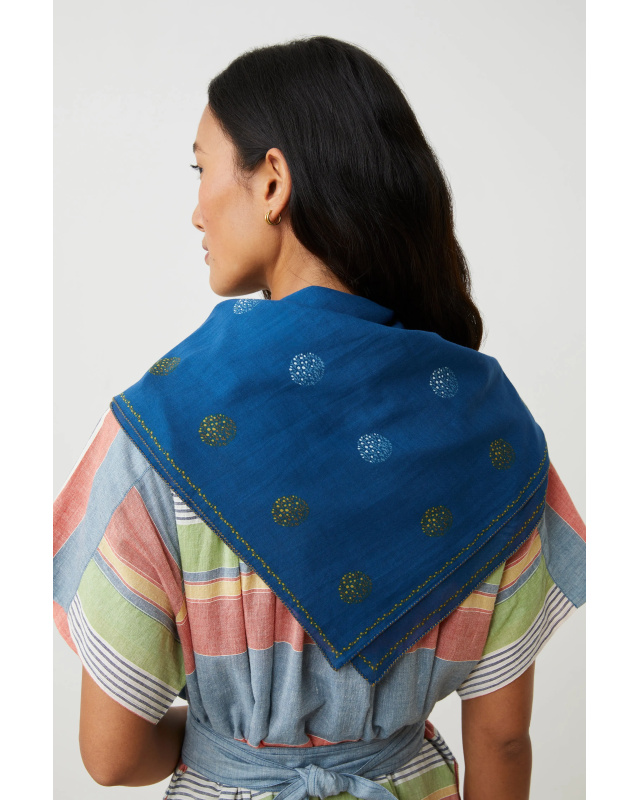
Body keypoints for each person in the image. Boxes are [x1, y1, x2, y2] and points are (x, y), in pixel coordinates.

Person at [53, 35, 585, 800]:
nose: (196, 210)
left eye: (202, 170)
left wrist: (230, 745)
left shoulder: (163, 426)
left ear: (272, 182)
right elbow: (502, 740)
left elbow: (112, 756)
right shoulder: (491, 433)